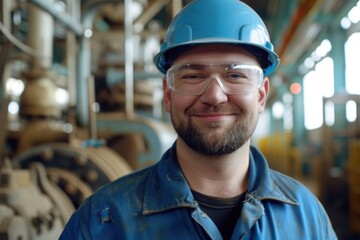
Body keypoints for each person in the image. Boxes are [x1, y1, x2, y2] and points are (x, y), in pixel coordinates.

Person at [60, 0, 337, 239]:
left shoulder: (306, 216)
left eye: (235, 75)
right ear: (168, 95)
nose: (215, 96)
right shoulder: (102, 222)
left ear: (261, 95)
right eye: (193, 76)